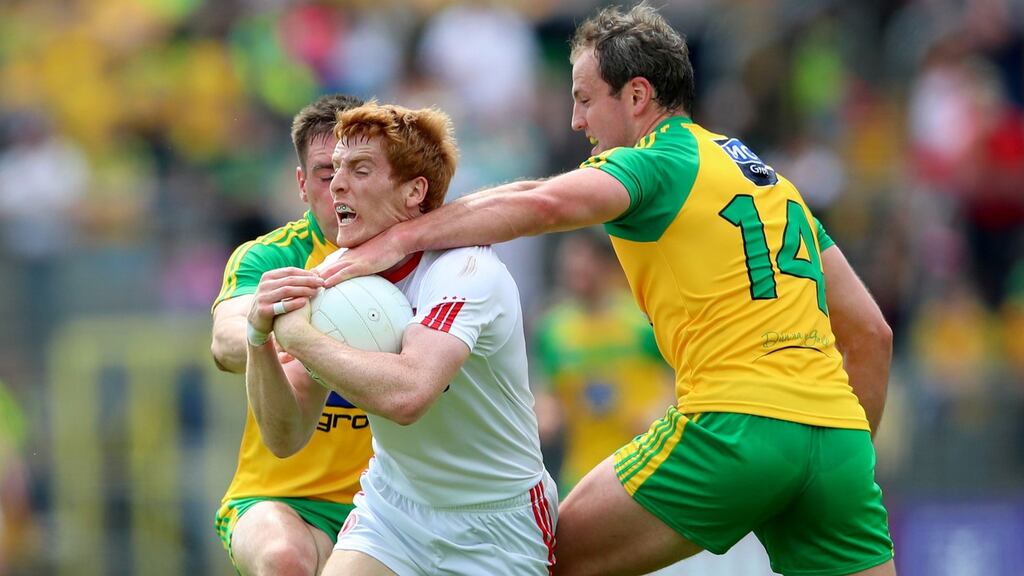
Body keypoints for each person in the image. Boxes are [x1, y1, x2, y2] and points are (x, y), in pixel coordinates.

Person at [320, 5, 896, 576]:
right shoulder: (772, 184)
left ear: (638, 96)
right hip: (838, 442)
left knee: (534, 561)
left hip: (732, 426)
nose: (575, 120)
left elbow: (540, 203)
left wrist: (399, 239)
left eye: (585, 98)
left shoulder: (659, 160)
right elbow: (872, 334)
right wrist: (842, 460)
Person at [247, 102, 557, 575]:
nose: (338, 184)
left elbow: (410, 395)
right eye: (334, 171)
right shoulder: (333, 277)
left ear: (415, 191)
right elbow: (285, 436)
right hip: (393, 512)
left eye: (360, 169)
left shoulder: (464, 269)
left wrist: (299, 337)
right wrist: (259, 340)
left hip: (495, 521)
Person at [209, 93, 370, 576]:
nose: (341, 188)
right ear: (302, 184)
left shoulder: (419, 255)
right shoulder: (271, 257)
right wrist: (288, 330)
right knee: (285, 561)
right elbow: (226, 341)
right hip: (280, 497)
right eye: (325, 174)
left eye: (357, 170)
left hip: (392, 500)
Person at [531, 228, 673, 496]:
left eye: (586, 259)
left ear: (608, 265)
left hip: (645, 465)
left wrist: (658, 410)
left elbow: (680, 378)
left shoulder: (642, 321)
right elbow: (547, 393)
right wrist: (542, 416)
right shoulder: (553, 329)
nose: (577, 267)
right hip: (582, 473)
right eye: (571, 260)